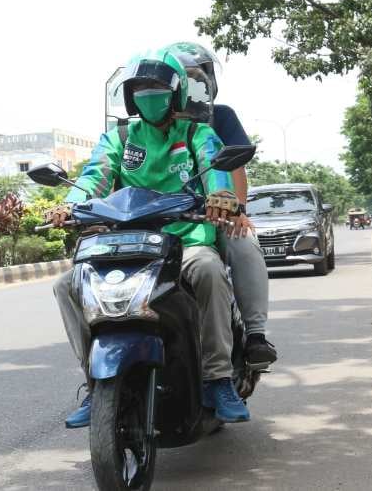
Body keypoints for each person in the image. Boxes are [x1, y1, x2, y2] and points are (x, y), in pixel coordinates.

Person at [50, 48, 251, 428]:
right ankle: (94, 383)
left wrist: (221, 195)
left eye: (156, 86)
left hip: (186, 236)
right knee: (66, 285)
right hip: (129, 241)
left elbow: (213, 166)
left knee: (208, 269)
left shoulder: (197, 132)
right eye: (140, 88)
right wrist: (71, 203)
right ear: (129, 96)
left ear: (175, 92)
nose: (147, 93)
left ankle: (218, 379)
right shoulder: (120, 137)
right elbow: (96, 174)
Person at [165, 42, 276, 364]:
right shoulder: (139, 129)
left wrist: (237, 210)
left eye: (194, 77)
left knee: (244, 243)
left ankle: (256, 335)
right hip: (158, 221)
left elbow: (234, 165)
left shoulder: (219, 117)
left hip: (212, 216)